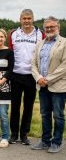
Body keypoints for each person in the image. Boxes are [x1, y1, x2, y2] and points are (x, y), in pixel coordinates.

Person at [8, 9, 45, 145]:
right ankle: (14, 134)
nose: (27, 21)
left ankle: (24, 135)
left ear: (33, 19)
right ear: (20, 19)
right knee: (15, 106)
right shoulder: (13, 34)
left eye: (29, 18)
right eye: (24, 18)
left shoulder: (40, 34)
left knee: (28, 107)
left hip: (32, 75)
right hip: (16, 75)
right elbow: (11, 54)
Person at [31, 16, 66, 153]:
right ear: (44, 29)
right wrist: (39, 78)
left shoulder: (64, 43)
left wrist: (48, 79)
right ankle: (45, 141)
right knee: (45, 114)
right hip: (42, 85)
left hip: (58, 86)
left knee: (58, 115)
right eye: (47, 27)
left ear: (58, 28)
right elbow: (33, 64)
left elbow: (64, 66)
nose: (49, 29)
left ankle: (57, 142)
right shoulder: (40, 44)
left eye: (52, 27)